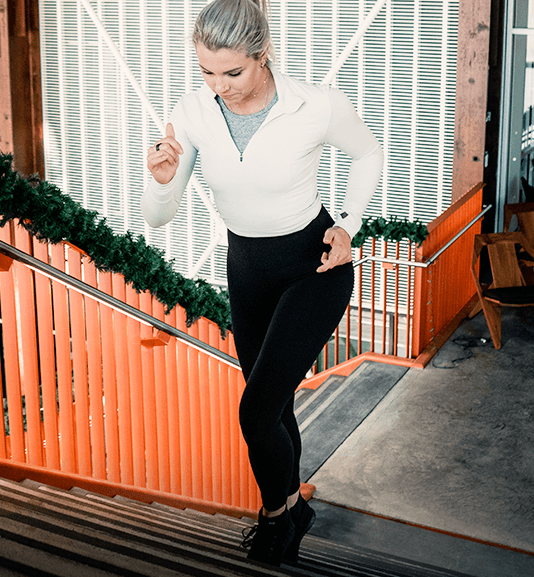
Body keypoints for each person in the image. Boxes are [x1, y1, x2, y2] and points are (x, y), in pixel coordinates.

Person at [142, 0, 383, 566]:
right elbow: (160, 216)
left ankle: (277, 518)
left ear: (262, 53)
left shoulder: (313, 106)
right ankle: (295, 506)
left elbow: (369, 152)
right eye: (206, 71)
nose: (218, 85)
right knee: (273, 408)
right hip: (246, 269)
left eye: (232, 72)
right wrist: (159, 180)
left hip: (314, 265)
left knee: (255, 411)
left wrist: (348, 225)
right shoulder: (194, 112)